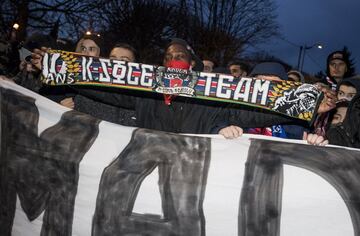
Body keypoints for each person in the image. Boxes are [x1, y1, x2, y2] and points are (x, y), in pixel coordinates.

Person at [31, 38, 335, 136]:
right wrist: (58, 68)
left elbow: (249, 113)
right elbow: (104, 89)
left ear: (191, 65)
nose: (173, 59)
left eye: (180, 56)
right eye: (168, 56)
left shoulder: (212, 97)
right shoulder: (145, 92)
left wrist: (306, 104)